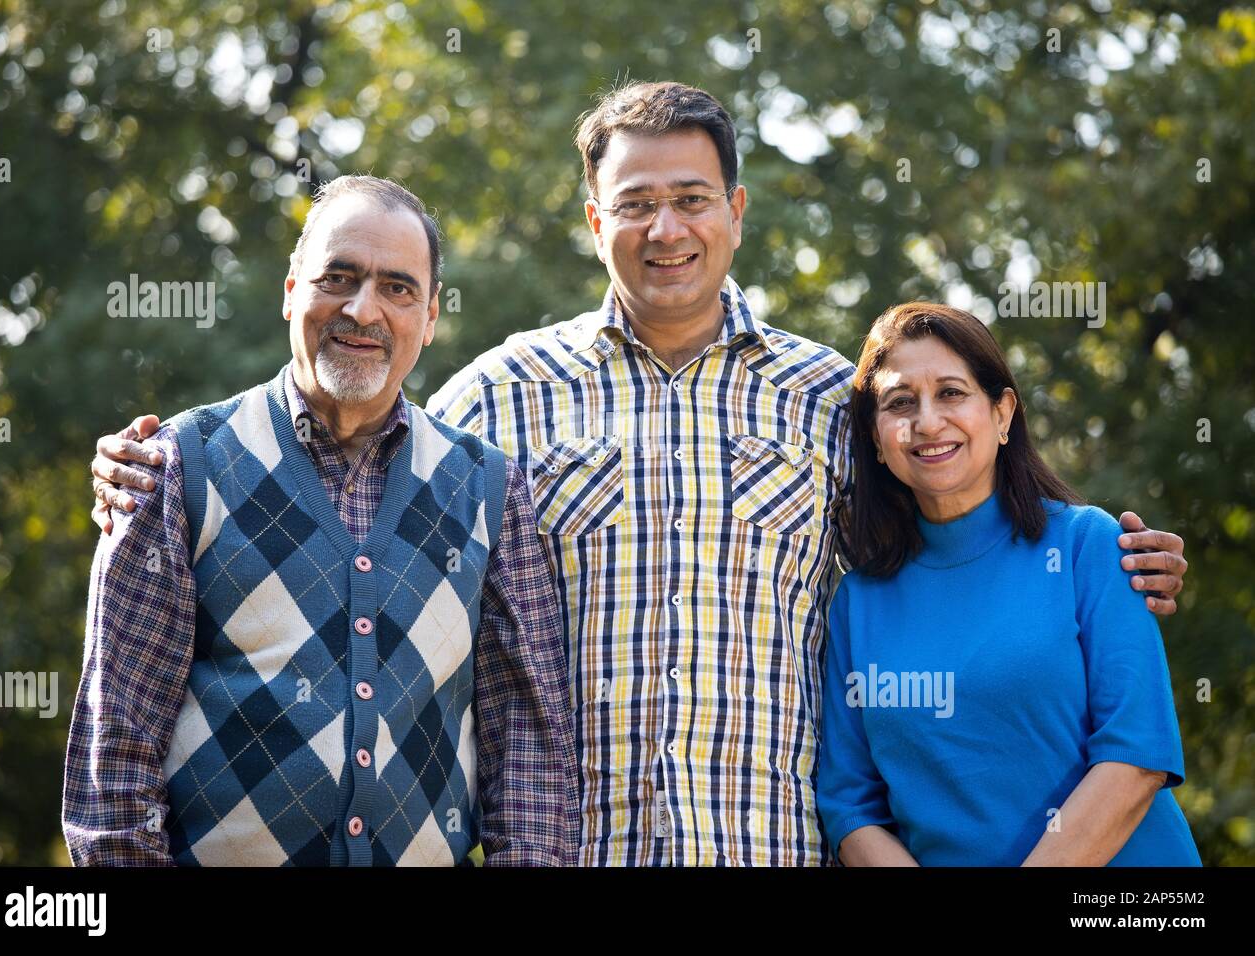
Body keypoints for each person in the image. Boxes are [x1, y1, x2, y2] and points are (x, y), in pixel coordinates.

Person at [87, 82, 1189, 866]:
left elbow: (967, 521)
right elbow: (353, 417)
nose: (666, 227)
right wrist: (157, 462)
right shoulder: (498, 399)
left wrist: (1108, 561)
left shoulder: (829, 401)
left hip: (777, 848)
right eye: (635, 203)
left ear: (735, 211)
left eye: (693, 197)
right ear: (593, 221)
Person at [64, 176, 577, 866]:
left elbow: (527, 752)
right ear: (290, 292)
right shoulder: (179, 468)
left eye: (398, 289)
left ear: (428, 320)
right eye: (338, 277)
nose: (363, 311)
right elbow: (116, 751)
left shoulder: (489, 488)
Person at [817, 303, 1200, 866]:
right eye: (900, 403)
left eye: (951, 393)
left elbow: (1135, 752)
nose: (926, 421)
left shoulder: (1088, 547)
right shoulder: (858, 604)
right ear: (876, 438)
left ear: (1002, 413)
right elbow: (851, 806)